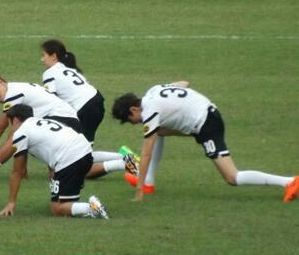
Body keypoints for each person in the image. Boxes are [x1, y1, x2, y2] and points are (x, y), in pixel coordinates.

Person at [111, 82, 299, 202]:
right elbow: (184, 83)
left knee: (232, 177)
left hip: (207, 124)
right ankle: (149, 182)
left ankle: (289, 182)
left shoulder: (150, 111)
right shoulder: (153, 91)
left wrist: (138, 191)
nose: (133, 123)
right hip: (205, 114)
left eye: (130, 120)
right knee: (158, 131)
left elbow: (146, 153)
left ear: (135, 109)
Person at [0, 72, 136, 181]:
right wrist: (22, 167)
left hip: (61, 118)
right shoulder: (17, 88)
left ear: (1, 82)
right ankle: (125, 159)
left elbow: (1, 129)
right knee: (74, 163)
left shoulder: (13, 94)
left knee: (67, 172)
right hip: (65, 118)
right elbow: (19, 133)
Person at [0, 104, 109, 218]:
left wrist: (11, 202)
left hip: (69, 159)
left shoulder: (20, 133)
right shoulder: (41, 122)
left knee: (56, 209)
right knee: (67, 202)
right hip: (85, 152)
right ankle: (85, 208)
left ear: (15, 120)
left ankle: (91, 207)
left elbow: (17, 172)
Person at [40, 39, 123, 163]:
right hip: (97, 101)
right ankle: (123, 157)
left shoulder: (49, 73)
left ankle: (125, 159)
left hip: (86, 107)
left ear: (54, 56)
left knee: (82, 155)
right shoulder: (68, 69)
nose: (42, 59)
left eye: (44, 55)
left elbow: (51, 100)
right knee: (83, 151)